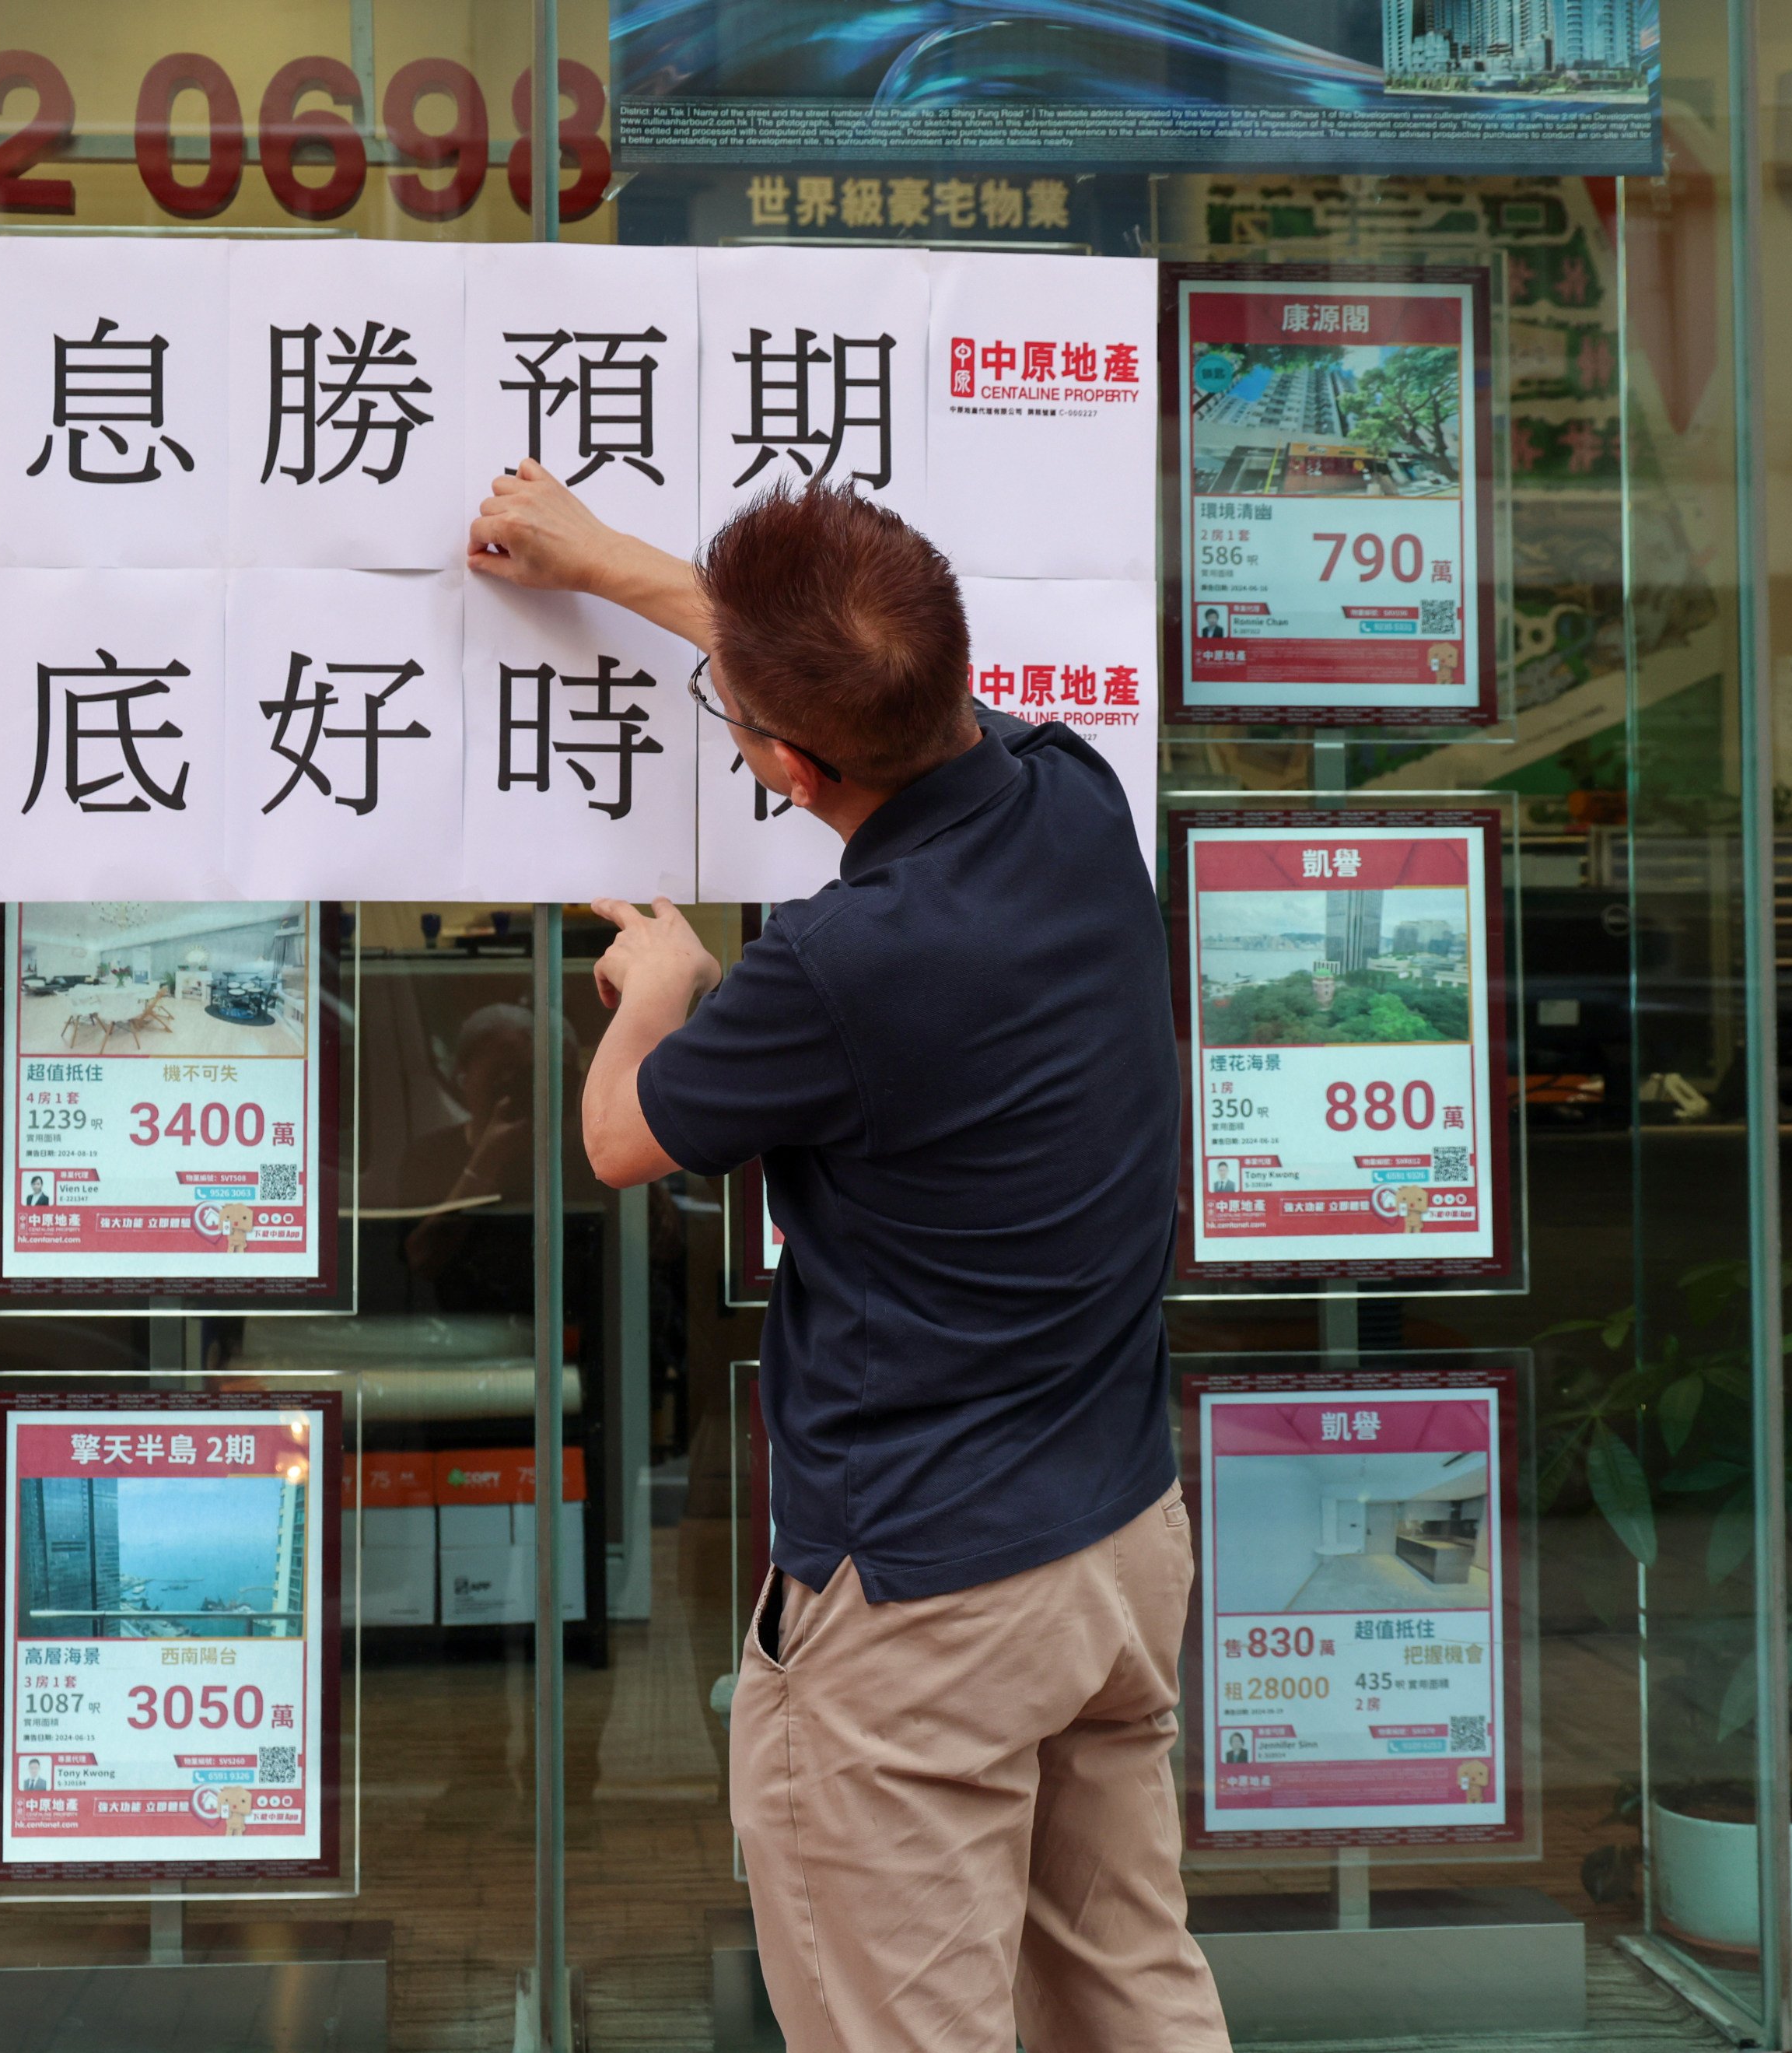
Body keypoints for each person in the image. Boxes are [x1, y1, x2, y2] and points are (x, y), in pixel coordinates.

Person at [469, 459, 1230, 2053]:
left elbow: (622, 1141)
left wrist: (663, 980)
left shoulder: (836, 965)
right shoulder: (1071, 793)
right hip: (1113, 1541)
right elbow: (831, 688)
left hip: (928, 1603)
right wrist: (605, 561)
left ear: (783, 765)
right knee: (1126, 1999)